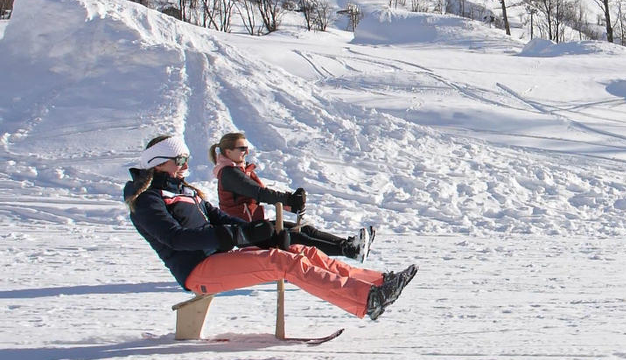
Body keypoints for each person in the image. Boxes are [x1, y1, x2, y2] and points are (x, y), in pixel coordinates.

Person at [124, 135, 416, 321]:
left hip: (217, 257)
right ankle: (366, 301)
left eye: (186, 160)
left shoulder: (187, 191)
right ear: (157, 163)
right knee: (282, 262)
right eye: (180, 160)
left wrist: (261, 233)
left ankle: (377, 282)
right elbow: (176, 239)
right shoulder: (146, 200)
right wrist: (239, 235)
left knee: (300, 249)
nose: (185, 166)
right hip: (196, 270)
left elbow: (220, 218)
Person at [208, 132, 373, 263]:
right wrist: (288, 200)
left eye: (246, 148)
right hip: (244, 233)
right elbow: (259, 193)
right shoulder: (230, 173)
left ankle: (349, 246)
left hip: (253, 226)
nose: (246, 152)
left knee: (304, 230)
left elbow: (259, 193)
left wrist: (291, 204)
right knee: (294, 236)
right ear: (228, 152)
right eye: (242, 148)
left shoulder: (236, 170)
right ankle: (348, 250)